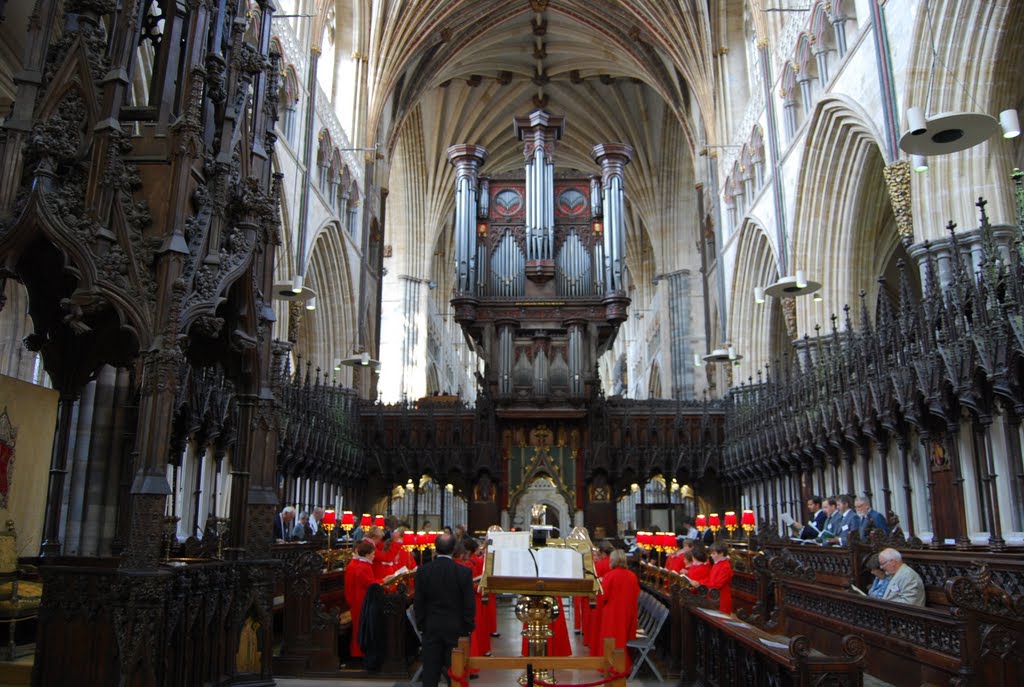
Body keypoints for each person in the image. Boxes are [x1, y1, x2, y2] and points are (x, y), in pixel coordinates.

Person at [414, 533, 475, 687]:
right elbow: (469, 604)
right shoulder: (464, 572)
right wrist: (467, 628)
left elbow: (418, 602)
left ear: (435, 548)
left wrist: (422, 625)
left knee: (430, 673)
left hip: (431, 626)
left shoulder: (423, 571)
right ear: (454, 549)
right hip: (456, 628)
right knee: (455, 673)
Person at [595, 549, 640, 672]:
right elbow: (636, 593)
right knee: (622, 639)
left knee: (612, 639)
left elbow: (604, 595)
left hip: (613, 613)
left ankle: (612, 666)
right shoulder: (632, 575)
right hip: (628, 612)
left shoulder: (610, 575)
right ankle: (624, 665)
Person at [344, 539, 378, 661]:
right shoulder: (359, 566)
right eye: (373, 554)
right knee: (360, 628)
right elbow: (368, 584)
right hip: (359, 601)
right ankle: (358, 654)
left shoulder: (361, 565)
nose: (374, 556)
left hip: (361, 599)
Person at [705, 542, 735, 614]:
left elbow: (717, 584)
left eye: (714, 553)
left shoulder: (725, 567)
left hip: (721, 599)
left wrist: (701, 584)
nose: (711, 556)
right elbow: (710, 579)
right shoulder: (717, 564)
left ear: (721, 553)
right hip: (715, 597)